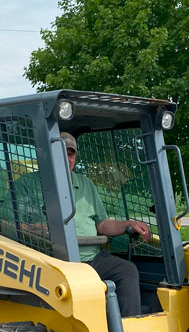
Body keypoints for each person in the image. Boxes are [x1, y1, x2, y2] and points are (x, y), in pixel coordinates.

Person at [61, 132, 150, 316]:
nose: (67, 158)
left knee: (127, 270)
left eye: (71, 154)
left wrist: (129, 223)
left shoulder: (85, 184)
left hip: (90, 257)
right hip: (53, 261)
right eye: (61, 152)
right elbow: (9, 223)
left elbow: (102, 224)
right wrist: (38, 229)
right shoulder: (30, 185)